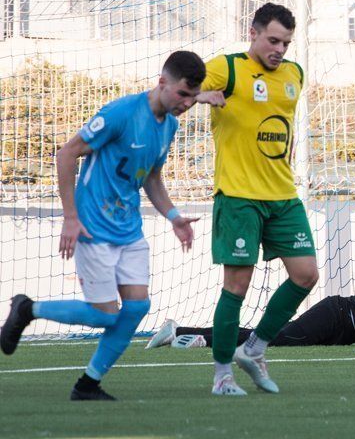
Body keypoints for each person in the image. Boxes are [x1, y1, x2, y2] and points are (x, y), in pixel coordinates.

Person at [0, 51, 205, 400]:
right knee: (104, 317)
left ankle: (88, 384)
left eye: (193, 96)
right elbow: (66, 154)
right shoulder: (121, 113)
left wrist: (173, 217)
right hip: (93, 228)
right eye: (183, 94)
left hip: (129, 228)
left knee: (139, 306)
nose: (187, 103)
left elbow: (151, 177)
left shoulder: (169, 126)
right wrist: (70, 217)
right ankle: (27, 309)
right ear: (162, 83)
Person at [194, 3, 319, 396]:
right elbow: (182, 82)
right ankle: (222, 375)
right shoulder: (227, 68)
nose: (279, 49)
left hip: (283, 195)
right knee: (236, 286)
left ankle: (256, 348)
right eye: (272, 40)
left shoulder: (294, 74)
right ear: (253, 32)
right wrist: (201, 96)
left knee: (306, 275)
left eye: (285, 42)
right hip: (238, 197)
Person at [145, 273, 355, 349]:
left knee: (273, 337)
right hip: (337, 316)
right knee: (272, 340)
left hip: (342, 328)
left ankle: (186, 333)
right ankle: (185, 333)